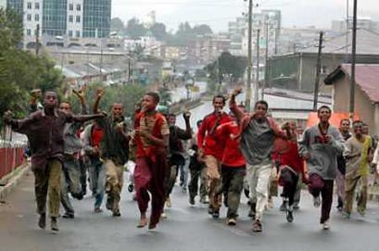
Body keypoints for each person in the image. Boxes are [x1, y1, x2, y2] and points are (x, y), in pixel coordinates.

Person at [3, 91, 104, 232]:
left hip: (56, 156)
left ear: (57, 101)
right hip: (39, 157)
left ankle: (54, 217)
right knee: (40, 188)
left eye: (54, 98)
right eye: (48, 98)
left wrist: (96, 116)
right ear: (44, 101)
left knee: (55, 187)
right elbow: (20, 124)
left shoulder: (62, 116)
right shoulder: (36, 117)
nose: (51, 100)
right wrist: (9, 121)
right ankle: (42, 212)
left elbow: (78, 118)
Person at [229, 87, 286, 232]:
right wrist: (233, 96)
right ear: (255, 109)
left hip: (265, 163)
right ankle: (253, 204)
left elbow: (283, 135)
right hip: (250, 163)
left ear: (266, 111)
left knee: (262, 191)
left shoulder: (271, 124)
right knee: (252, 192)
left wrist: (290, 132)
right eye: (258, 108)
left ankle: (258, 219)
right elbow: (233, 108)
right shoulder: (246, 120)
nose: (260, 111)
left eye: (263, 109)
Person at [298, 105, 345, 230]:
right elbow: (301, 145)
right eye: (322, 112)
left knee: (327, 197)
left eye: (327, 112)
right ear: (318, 115)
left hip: (329, 167)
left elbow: (342, 148)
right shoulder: (310, 131)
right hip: (314, 165)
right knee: (316, 184)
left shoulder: (335, 131)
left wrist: (333, 142)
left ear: (330, 115)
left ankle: (325, 219)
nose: (324, 114)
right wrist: (304, 153)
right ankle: (314, 193)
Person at [133, 92, 170, 230]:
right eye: (143, 100)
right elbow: (135, 134)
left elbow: (164, 143)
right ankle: (143, 214)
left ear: (155, 104)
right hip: (143, 155)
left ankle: (154, 217)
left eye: (148, 101)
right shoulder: (139, 118)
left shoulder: (161, 120)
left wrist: (147, 135)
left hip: (157, 157)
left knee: (157, 190)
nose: (144, 103)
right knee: (140, 183)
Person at [93, 88, 131, 217]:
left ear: (122, 111)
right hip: (108, 156)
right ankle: (111, 197)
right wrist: (98, 98)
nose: (117, 111)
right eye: (115, 109)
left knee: (118, 185)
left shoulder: (126, 123)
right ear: (112, 109)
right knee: (112, 177)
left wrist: (122, 132)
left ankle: (114, 203)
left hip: (121, 158)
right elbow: (94, 112)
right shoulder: (106, 121)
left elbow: (129, 138)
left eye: (119, 109)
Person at [198, 95, 232, 218]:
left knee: (220, 181)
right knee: (214, 177)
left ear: (224, 104)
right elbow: (201, 133)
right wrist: (200, 147)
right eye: (216, 103)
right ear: (213, 104)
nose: (218, 105)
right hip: (210, 152)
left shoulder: (228, 119)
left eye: (220, 103)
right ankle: (213, 200)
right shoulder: (208, 118)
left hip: (223, 153)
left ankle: (215, 205)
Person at [58, 87, 89, 219]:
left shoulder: (73, 124)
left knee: (75, 190)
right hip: (58, 160)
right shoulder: (53, 123)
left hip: (72, 160)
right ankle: (69, 211)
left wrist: (82, 99)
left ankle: (79, 190)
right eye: (62, 108)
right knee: (61, 189)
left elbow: (84, 116)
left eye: (67, 108)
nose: (64, 110)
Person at [214, 108, 246, 226]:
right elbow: (215, 135)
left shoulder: (249, 128)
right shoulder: (227, 126)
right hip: (227, 163)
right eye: (234, 114)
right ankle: (216, 194)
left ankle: (232, 215)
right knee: (224, 186)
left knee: (236, 188)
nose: (238, 116)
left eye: (240, 114)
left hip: (241, 164)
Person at [272, 121, 306, 223]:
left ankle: (290, 208)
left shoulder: (299, 141)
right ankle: (285, 199)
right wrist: (274, 160)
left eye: (293, 126)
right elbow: (276, 149)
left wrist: (304, 175)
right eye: (289, 126)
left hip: (296, 166)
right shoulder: (282, 139)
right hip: (284, 165)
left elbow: (301, 158)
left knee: (293, 188)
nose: (291, 128)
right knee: (288, 180)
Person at [343, 120, 373, 218]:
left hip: (363, 168)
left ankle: (361, 208)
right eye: (356, 127)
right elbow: (346, 156)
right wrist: (356, 154)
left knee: (364, 188)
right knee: (349, 191)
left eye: (360, 127)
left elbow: (370, 149)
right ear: (353, 129)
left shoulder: (368, 139)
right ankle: (347, 211)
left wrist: (370, 156)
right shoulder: (349, 141)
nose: (358, 129)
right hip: (351, 169)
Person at [166, 112, 192, 207]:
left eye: (174, 119)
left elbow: (188, 135)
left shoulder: (175, 130)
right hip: (161, 158)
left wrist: (187, 120)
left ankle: (166, 194)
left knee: (172, 177)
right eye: (170, 119)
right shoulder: (159, 129)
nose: (172, 121)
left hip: (173, 158)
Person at [82, 120, 105, 213]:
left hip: (104, 160)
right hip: (92, 160)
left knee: (101, 185)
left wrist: (103, 150)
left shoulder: (107, 129)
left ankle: (97, 205)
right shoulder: (89, 129)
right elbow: (85, 145)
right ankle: (94, 191)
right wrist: (92, 150)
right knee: (94, 185)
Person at [188, 120, 208, 205]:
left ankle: (203, 196)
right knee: (194, 180)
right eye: (200, 126)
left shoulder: (208, 137)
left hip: (205, 162)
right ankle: (192, 195)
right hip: (194, 162)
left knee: (205, 179)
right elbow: (188, 149)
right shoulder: (193, 137)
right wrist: (195, 154)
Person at [335, 119, 351, 212]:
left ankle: (347, 202)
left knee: (347, 185)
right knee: (340, 184)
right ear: (340, 126)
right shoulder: (336, 137)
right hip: (338, 163)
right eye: (344, 124)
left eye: (347, 124)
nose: (345, 126)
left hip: (349, 164)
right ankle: (341, 203)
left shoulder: (351, 138)